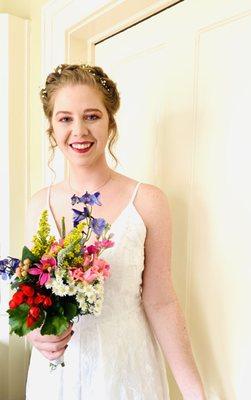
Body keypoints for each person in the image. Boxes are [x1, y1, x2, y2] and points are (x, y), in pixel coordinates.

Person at [25, 64, 206, 400]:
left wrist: (196, 393)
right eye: (65, 118)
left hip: (126, 372)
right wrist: (34, 332)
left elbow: (162, 302)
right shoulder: (39, 205)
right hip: (56, 378)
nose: (79, 130)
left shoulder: (149, 201)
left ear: (110, 122)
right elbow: (33, 296)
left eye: (92, 116)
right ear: (52, 127)